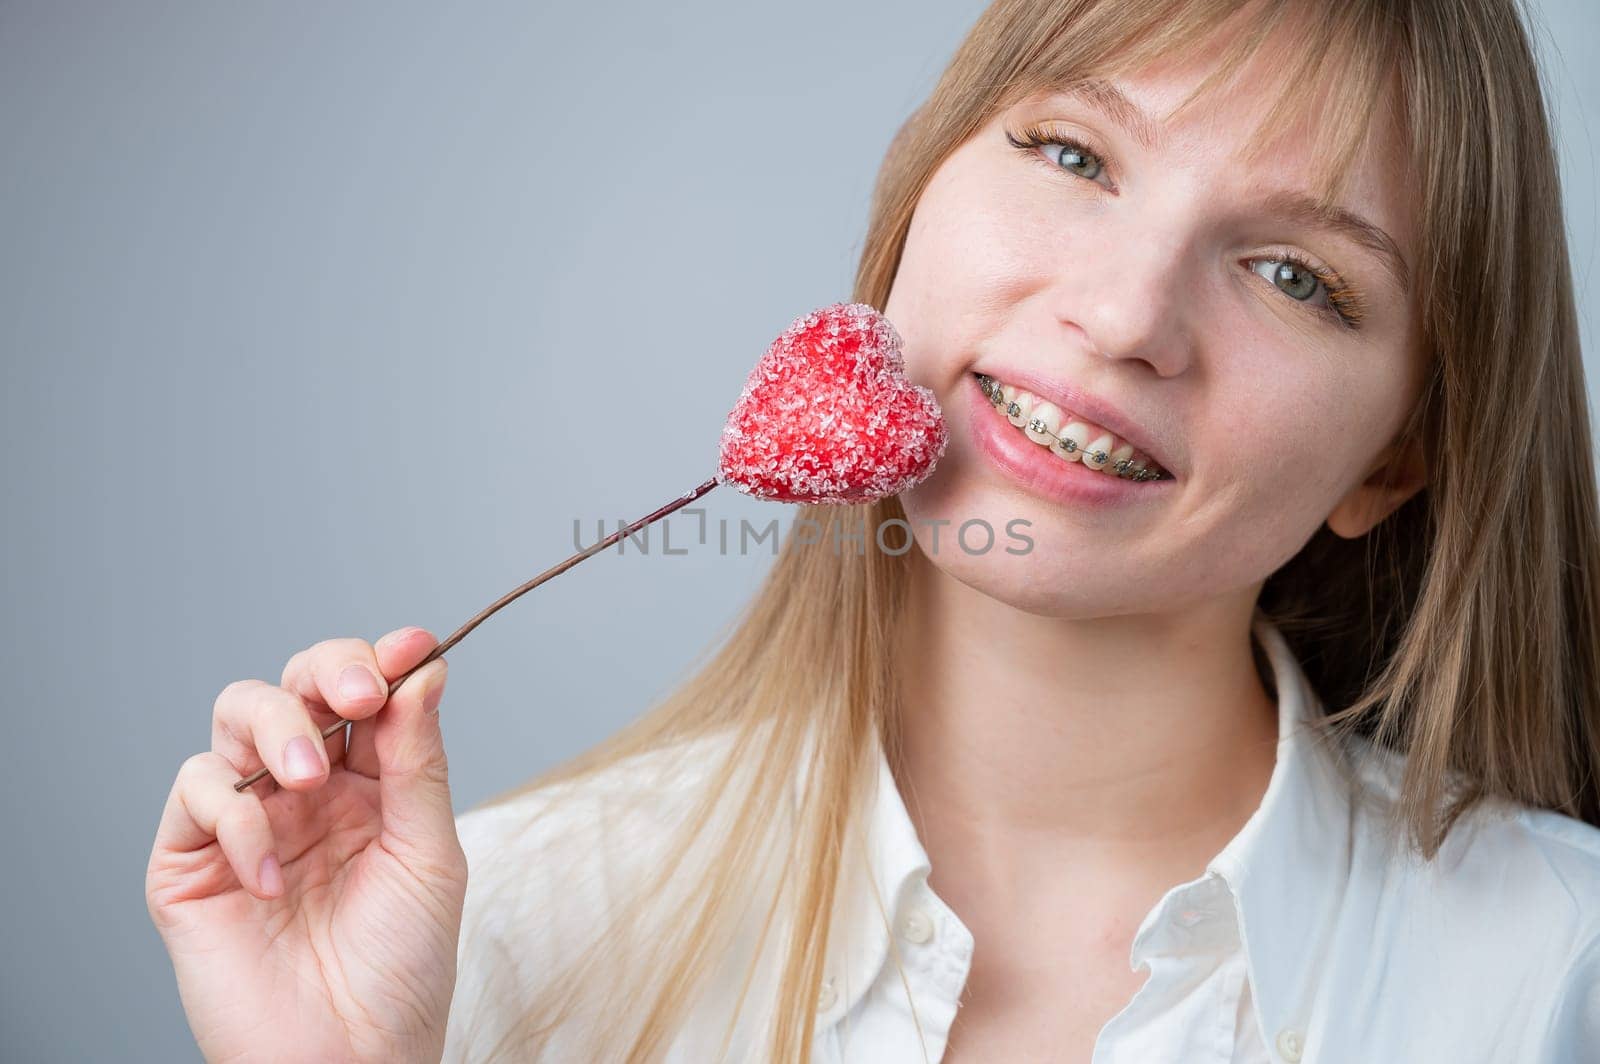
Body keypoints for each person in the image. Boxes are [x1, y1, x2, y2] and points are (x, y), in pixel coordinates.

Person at [146, 0, 1600, 1060]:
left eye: (1294, 274)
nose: (1126, 315)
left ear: (1398, 457)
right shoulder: (498, 932)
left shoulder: (1558, 974)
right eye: (1078, 157)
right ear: (916, 197)